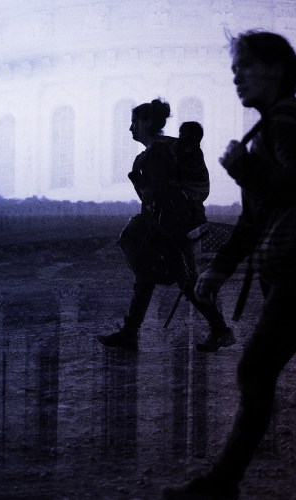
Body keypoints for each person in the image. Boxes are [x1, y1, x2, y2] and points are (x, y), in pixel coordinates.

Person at [162, 31, 296, 500]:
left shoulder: (285, 122)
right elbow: (261, 212)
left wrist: (245, 169)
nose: (236, 75)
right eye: (235, 67)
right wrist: (220, 268)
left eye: (245, 65)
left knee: (256, 370)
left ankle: (221, 484)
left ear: (276, 69)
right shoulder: (285, 121)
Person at [97, 99, 236, 352]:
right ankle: (130, 333)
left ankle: (220, 330)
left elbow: (159, 194)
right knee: (148, 276)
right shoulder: (160, 150)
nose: (131, 128)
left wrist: (139, 184)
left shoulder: (157, 152)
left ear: (147, 122)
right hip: (169, 225)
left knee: (182, 280)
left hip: (170, 228)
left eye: (134, 122)